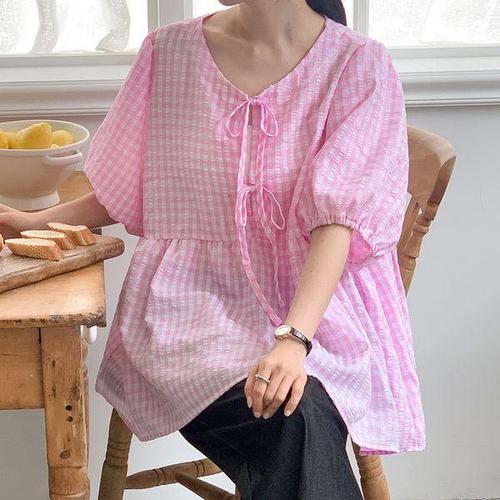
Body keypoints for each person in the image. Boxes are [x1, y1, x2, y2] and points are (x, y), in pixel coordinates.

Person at [0, 1, 426, 498]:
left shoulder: (357, 65)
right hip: (187, 311)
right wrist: (31, 222)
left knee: (297, 409)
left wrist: (293, 341)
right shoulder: (169, 53)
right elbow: (133, 185)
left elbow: (338, 222)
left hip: (316, 312)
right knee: (293, 418)